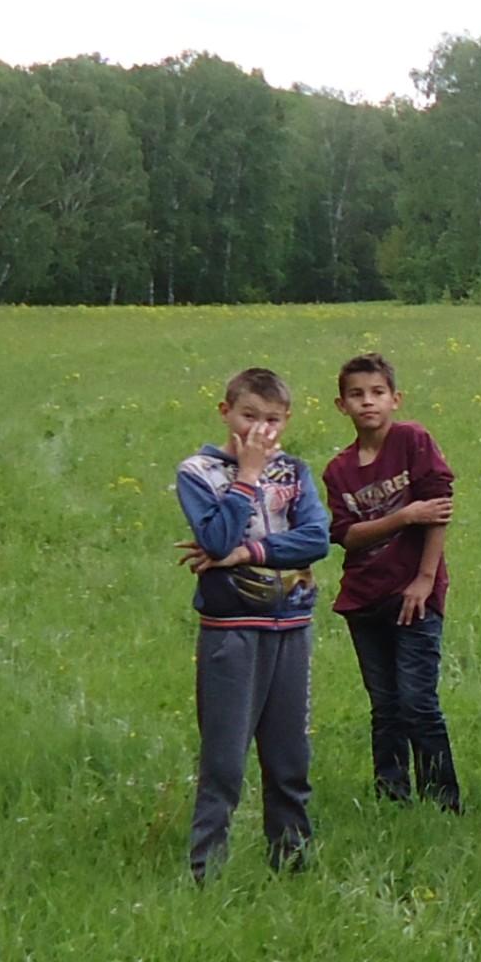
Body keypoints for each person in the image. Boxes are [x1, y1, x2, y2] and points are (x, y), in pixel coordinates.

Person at [176, 366, 333, 881]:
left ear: (286, 421)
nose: (259, 431)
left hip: (291, 625)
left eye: (271, 420)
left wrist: (248, 550)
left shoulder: (295, 471)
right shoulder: (198, 472)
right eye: (248, 416)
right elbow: (214, 540)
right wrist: (245, 477)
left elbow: (316, 539)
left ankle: (291, 863)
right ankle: (206, 871)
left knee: (290, 758)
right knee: (224, 760)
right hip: (231, 630)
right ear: (226, 413)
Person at [319, 352, 460, 809]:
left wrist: (425, 578)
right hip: (364, 598)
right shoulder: (338, 470)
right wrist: (404, 515)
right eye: (356, 395)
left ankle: (442, 801)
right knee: (385, 707)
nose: (368, 403)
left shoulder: (412, 440)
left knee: (418, 701)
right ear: (341, 405)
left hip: (413, 596)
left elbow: (438, 507)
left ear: (395, 399)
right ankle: (392, 797)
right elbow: (348, 536)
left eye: (377, 393)